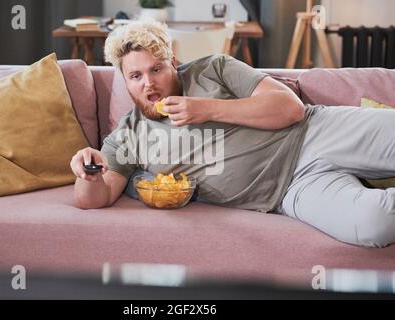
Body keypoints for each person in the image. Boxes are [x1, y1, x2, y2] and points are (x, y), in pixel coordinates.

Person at [70, 19, 395, 248]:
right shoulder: (128, 135)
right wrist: (88, 174)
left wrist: (207, 109)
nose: (148, 83)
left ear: (173, 63)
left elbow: (290, 108)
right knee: (373, 225)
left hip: (315, 131)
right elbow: (93, 200)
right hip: (289, 192)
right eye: (135, 76)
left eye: (156, 69)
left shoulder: (213, 69)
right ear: (124, 80)